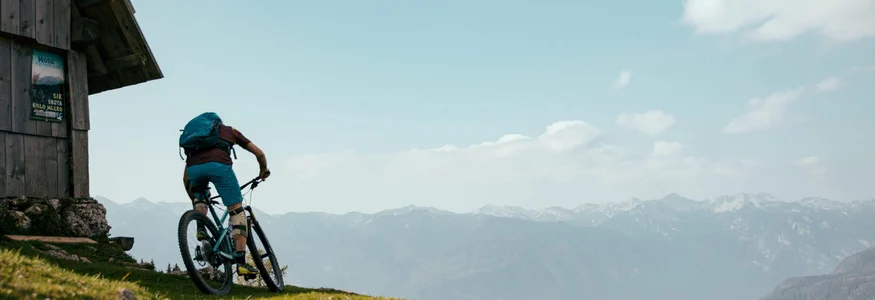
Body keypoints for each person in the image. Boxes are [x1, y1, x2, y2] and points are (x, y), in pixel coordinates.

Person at [180, 114, 270, 277]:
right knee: (237, 211)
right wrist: (263, 170)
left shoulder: (194, 139)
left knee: (200, 200)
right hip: (220, 168)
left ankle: (201, 227)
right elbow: (260, 154)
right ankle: (241, 263)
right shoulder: (229, 131)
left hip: (193, 170)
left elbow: (186, 177)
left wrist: (195, 199)